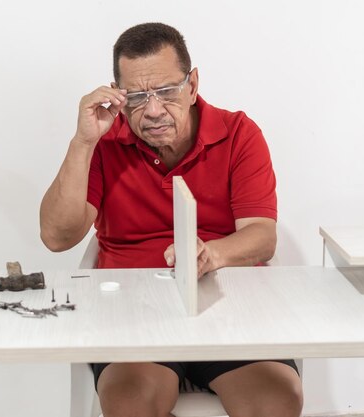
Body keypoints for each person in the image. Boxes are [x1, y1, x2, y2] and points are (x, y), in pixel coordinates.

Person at [40, 22, 302, 417]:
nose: (154, 110)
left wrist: (209, 255)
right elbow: (57, 237)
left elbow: (262, 236)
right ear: (118, 96)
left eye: (166, 91)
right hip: (132, 316)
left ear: (192, 85)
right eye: (138, 97)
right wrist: (83, 142)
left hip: (228, 310)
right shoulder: (104, 143)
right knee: (131, 406)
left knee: (275, 401)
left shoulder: (239, 134)